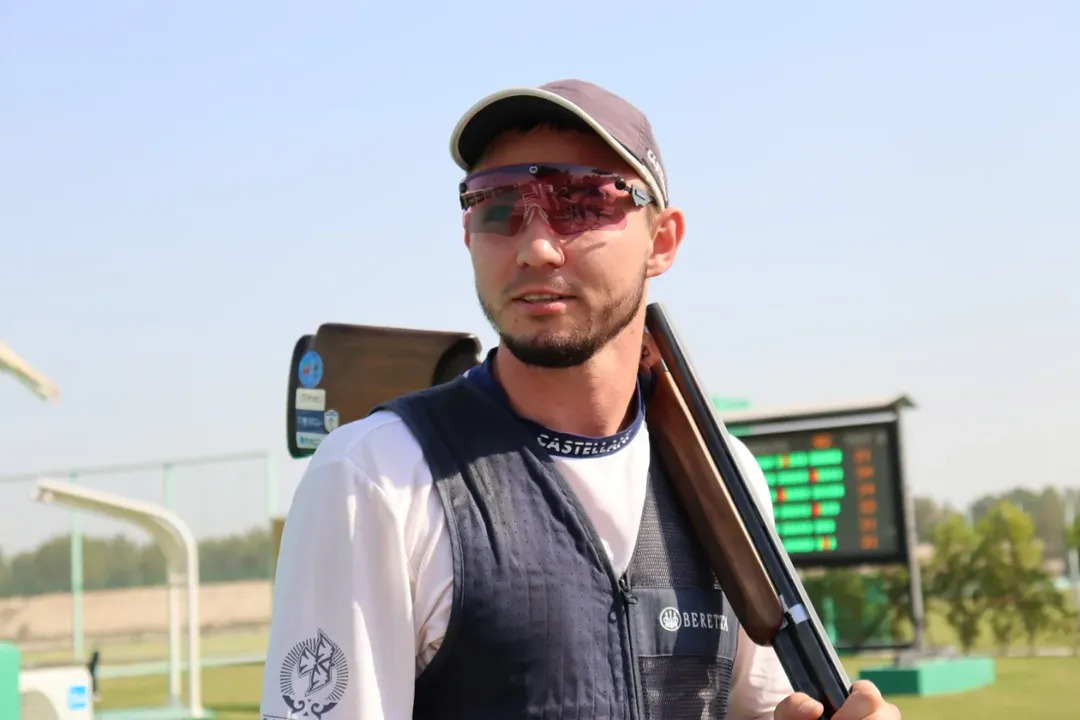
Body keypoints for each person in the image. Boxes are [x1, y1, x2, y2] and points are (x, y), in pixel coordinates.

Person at [259, 78, 900, 720]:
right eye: (498, 206)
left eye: (583, 202)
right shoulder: (376, 478)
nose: (536, 248)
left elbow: (762, 707)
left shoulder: (725, 478)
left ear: (662, 241)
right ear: (468, 233)